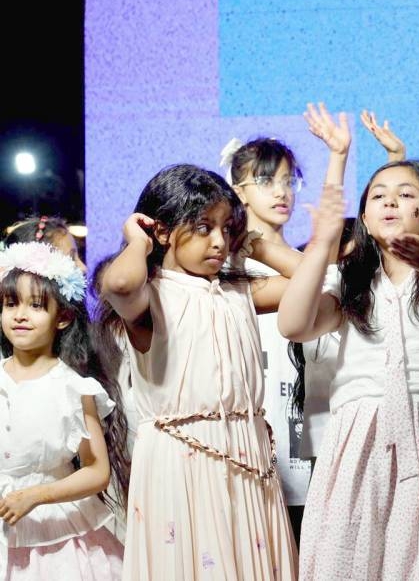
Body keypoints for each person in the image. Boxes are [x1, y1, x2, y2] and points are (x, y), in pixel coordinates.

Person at [278, 152, 419, 579]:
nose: (390, 202)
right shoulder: (350, 280)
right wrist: (322, 244)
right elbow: (293, 325)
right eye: (378, 196)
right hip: (362, 436)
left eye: (405, 194)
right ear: (364, 219)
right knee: (352, 555)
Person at [97, 164, 299, 579]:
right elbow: (118, 284)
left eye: (227, 229)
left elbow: (315, 279)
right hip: (180, 459)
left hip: (247, 453)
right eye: (204, 227)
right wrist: (138, 240)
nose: (220, 241)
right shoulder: (151, 295)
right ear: (164, 230)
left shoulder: (239, 290)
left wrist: (254, 244)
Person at [0, 241, 128, 579]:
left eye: (36, 305)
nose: (20, 315)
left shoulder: (73, 388)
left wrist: (36, 496)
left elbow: (96, 471)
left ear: (63, 317)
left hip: (55, 533)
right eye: (11, 304)